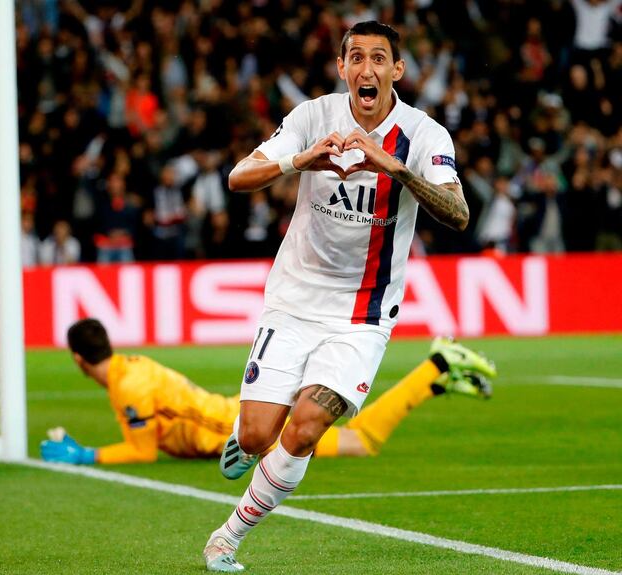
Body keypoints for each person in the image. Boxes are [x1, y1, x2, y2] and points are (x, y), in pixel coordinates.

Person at [202, 21, 471, 572]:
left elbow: (459, 214)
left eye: (379, 58)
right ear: (343, 68)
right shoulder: (311, 117)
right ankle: (245, 434)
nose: (366, 69)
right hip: (295, 297)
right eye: (355, 58)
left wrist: (392, 166)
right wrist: (301, 160)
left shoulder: (423, 136)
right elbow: (238, 176)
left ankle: (226, 538)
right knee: (257, 435)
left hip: (363, 313)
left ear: (397, 70)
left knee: (306, 426)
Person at [40, 319, 495, 466]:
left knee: (363, 442)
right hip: (225, 423)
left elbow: (142, 452)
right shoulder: (129, 371)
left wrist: (84, 455)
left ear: (78, 359)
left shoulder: (128, 386)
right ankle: (438, 379)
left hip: (239, 430)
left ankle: (436, 364)